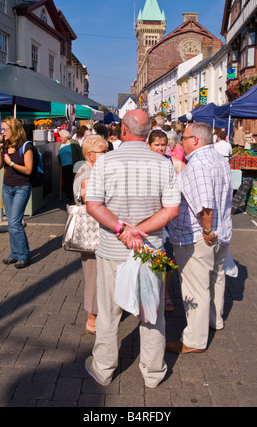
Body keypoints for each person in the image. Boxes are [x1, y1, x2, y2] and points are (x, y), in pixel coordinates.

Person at [84, 109, 181, 388]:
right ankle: (152, 372)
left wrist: (124, 230)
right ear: (148, 132)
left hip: (114, 249)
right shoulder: (164, 163)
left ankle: (103, 368)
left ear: (123, 131)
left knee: (109, 312)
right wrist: (141, 230)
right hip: (150, 250)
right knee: (151, 312)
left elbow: (93, 206)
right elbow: (172, 209)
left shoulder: (105, 162)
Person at [166, 122, 232, 354]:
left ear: (195, 140)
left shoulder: (198, 164)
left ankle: (194, 339)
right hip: (220, 232)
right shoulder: (219, 159)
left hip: (199, 236)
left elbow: (205, 205)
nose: (181, 142)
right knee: (215, 278)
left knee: (196, 286)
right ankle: (214, 320)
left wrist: (206, 230)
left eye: (183, 138)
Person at [73, 135, 108, 335]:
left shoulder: (93, 170)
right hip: (92, 233)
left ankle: (96, 315)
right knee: (93, 276)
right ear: (91, 155)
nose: (107, 154)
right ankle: (91, 320)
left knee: (97, 275)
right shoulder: (87, 175)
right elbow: (91, 205)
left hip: (97, 232)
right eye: (103, 152)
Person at [147, 129, 180, 313]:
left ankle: (165, 294)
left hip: (166, 217)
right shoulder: (144, 162)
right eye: (156, 145)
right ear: (149, 146)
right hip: (147, 214)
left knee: (166, 256)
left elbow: (186, 171)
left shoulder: (171, 162)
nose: (160, 148)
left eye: (163, 145)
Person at [0, 117, 34, 269]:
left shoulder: (26, 146)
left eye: (5, 129)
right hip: (7, 187)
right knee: (11, 223)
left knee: (15, 223)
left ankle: (24, 255)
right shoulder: (5, 145)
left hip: (21, 188)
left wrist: (11, 163)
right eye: (1, 129)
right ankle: (14, 254)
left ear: (14, 129)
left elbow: (28, 170)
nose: (2, 132)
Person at [58, 129, 84, 202]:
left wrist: (81, 164)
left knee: (76, 181)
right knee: (67, 182)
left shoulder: (73, 142)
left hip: (74, 164)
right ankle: (69, 197)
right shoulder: (60, 144)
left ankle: (78, 196)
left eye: (61, 137)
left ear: (65, 136)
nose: (60, 138)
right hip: (64, 165)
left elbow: (79, 153)